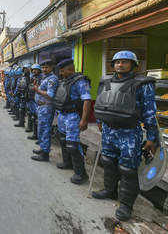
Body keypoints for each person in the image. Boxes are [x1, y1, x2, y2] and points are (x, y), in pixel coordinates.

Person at [92, 51, 158, 221]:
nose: (120, 65)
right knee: (108, 161)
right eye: (117, 62)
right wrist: (99, 120)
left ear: (133, 65)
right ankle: (110, 190)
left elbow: (150, 112)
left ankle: (126, 205)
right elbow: (102, 101)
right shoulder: (106, 81)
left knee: (128, 169)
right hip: (108, 131)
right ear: (113, 64)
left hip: (129, 133)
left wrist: (151, 137)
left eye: (125, 62)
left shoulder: (142, 84)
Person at [54, 59, 91, 185]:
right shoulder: (65, 81)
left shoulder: (80, 81)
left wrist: (84, 120)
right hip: (63, 115)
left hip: (73, 116)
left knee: (73, 145)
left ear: (68, 69)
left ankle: (81, 174)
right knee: (63, 140)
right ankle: (67, 163)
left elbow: (87, 100)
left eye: (61, 71)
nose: (60, 73)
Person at [31, 59, 58, 162]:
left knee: (45, 130)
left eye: (46, 67)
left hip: (47, 108)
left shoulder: (52, 79)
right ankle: (42, 148)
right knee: (41, 129)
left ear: (51, 68)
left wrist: (37, 90)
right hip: (41, 108)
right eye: (43, 67)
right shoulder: (44, 78)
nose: (44, 69)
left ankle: (45, 154)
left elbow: (50, 95)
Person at [27, 64, 42, 139]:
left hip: (39, 101)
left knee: (37, 119)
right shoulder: (32, 77)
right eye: (33, 70)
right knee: (33, 117)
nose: (34, 71)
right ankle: (35, 134)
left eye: (36, 69)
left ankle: (38, 136)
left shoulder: (42, 78)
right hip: (32, 98)